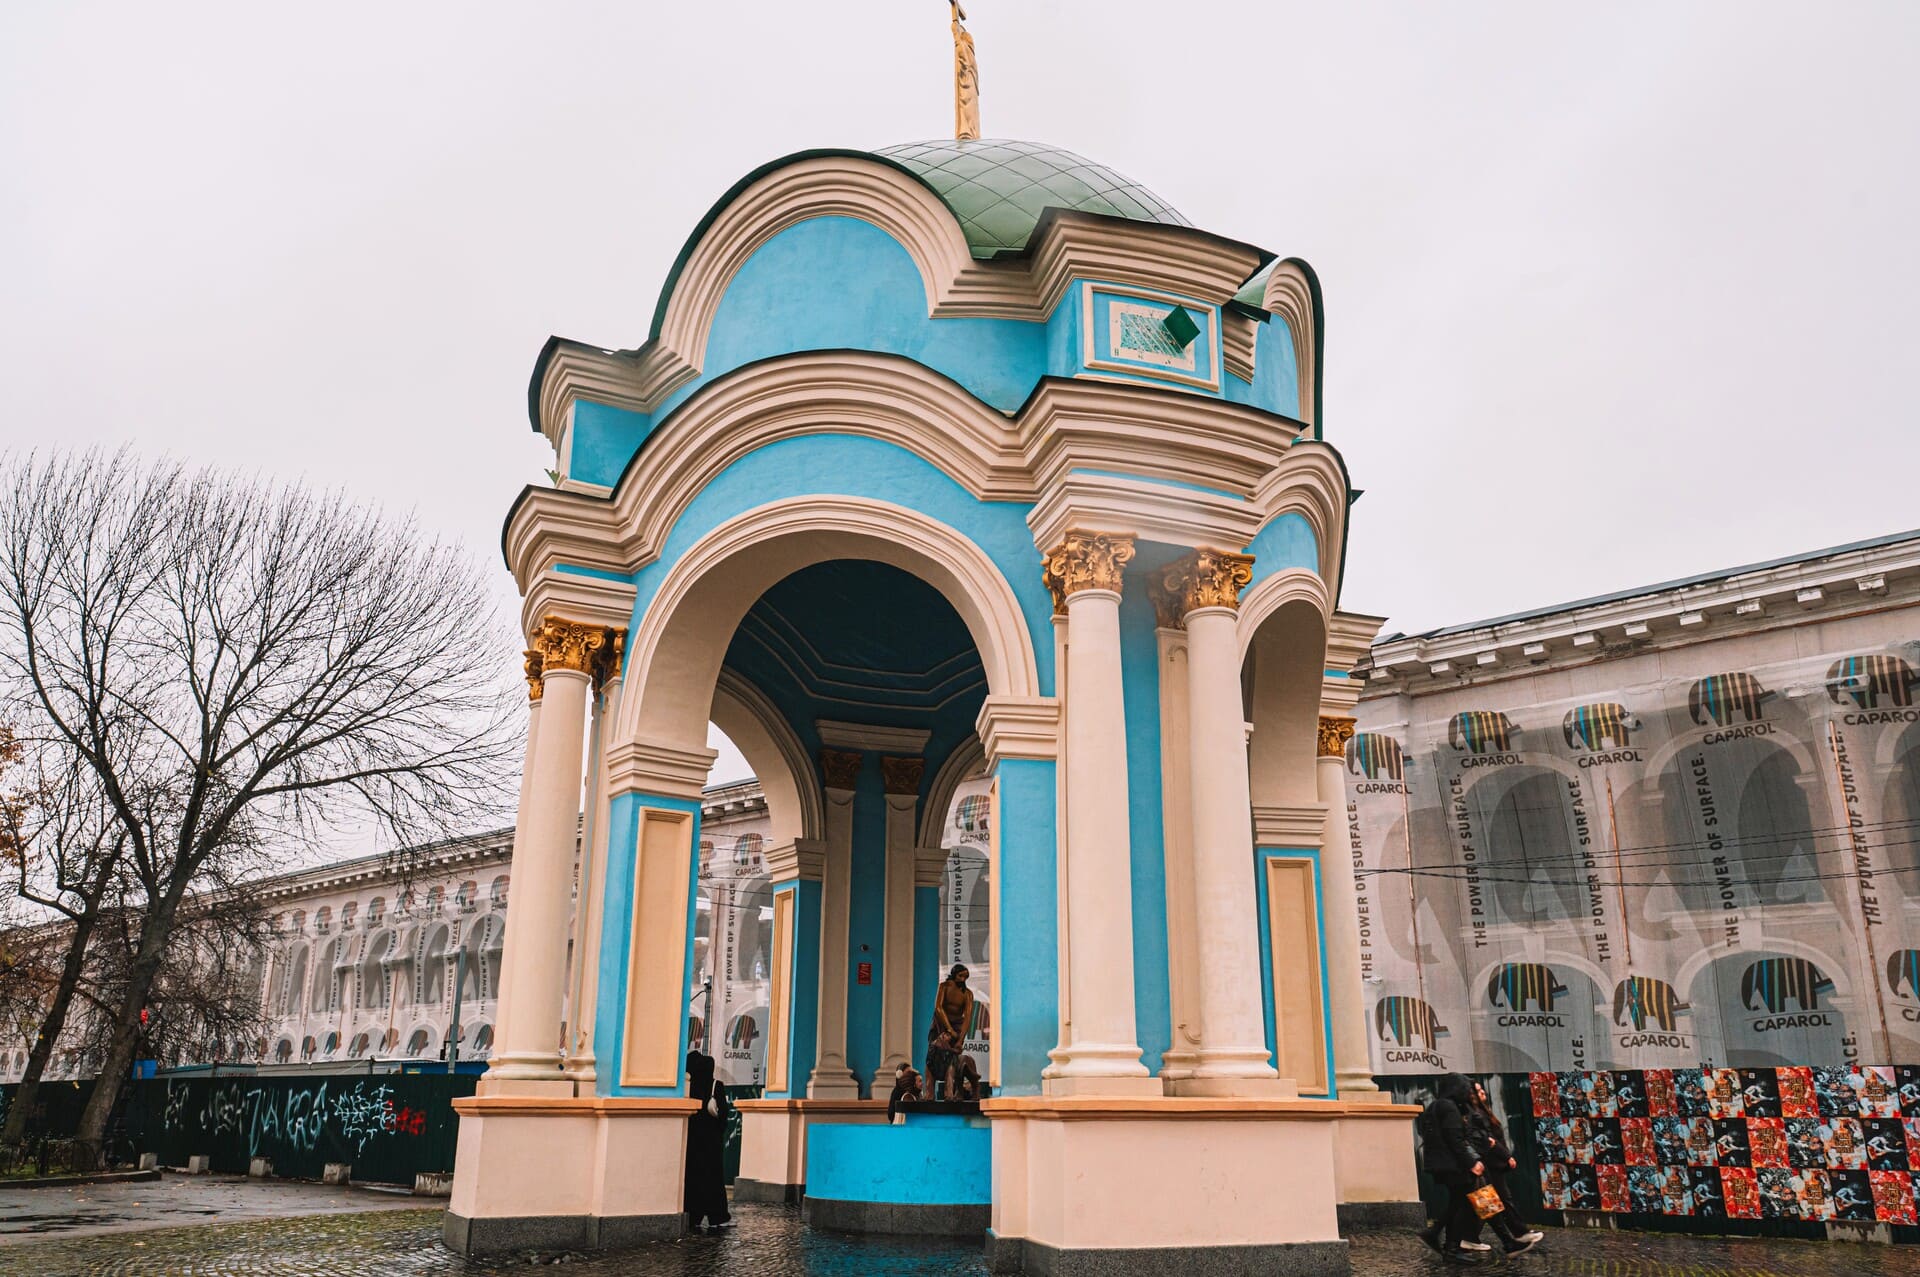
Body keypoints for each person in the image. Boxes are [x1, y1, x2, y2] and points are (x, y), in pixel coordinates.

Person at [1417, 1073, 1491, 1261]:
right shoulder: (1449, 1108)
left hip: (1443, 1163)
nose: (1467, 1092)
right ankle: (1447, 1243)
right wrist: (1472, 1162)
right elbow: (1455, 1139)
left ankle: (1444, 1241)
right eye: (1465, 1088)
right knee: (1462, 1204)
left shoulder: (1437, 1106)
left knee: (1457, 1202)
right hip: (1453, 1165)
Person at [1465, 1080, 1542, 1255]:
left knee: (1487, 1203)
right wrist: (1506, 1156)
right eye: (1478, 1090)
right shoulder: (1475, 1115)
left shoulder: (1481, 1112)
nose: (1483, 1092)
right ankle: (1517, 1234)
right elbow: (1488, 1140)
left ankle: (1469, 1237)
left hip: (1488, 1163)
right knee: (1495, 1200)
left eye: (1482, 1089)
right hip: (1487, 1163)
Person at [684, 1052, 733, 1231]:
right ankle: (717, 1216)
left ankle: (693, 1216)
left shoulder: (688, 1087)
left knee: (693, 1178)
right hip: (711, 1142)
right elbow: (723, 1114)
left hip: (692, 1141)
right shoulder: (715, 1085)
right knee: (713, 1179)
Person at [928, 963, 975, 1095]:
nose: (963, 979)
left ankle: (950, 1092)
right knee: (932, 1055)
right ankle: (929, 1092)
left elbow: (967, 1018)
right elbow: (938, 1007)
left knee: (954, 1060)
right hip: (940, 1024)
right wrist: (948, 1028)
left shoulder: (968, 994)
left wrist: (960, 1038)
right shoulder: (944, 987)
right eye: (961, 976)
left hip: (956, 1026)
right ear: (954, 974)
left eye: (966, 977)